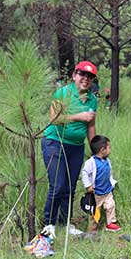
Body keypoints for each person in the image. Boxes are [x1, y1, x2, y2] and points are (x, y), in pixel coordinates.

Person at [41, 60, 98, 242]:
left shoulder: (92, 100)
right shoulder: (63, 93)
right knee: (57, 185)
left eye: (89, 76)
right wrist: (78, 116)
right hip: (55, 142)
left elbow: (91, 127)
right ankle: (49, 225)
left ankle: (65, 224)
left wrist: (95, 152)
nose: (85, 79)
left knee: (70, 187)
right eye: (82, 74)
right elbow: (54, 119)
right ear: (74, 75)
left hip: (76, 147)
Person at [81, 135, 121, 233]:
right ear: (102, 150)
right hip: (96, 193)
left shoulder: (107, 161)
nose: (110, 150)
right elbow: (85, 173)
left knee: (110, 206)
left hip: (107, 190)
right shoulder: (91, 162)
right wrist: (88, 186)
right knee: (95, 211)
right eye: (109, 148)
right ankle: (92, 228)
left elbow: (109, 173)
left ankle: (110, 223)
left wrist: (112, 182)